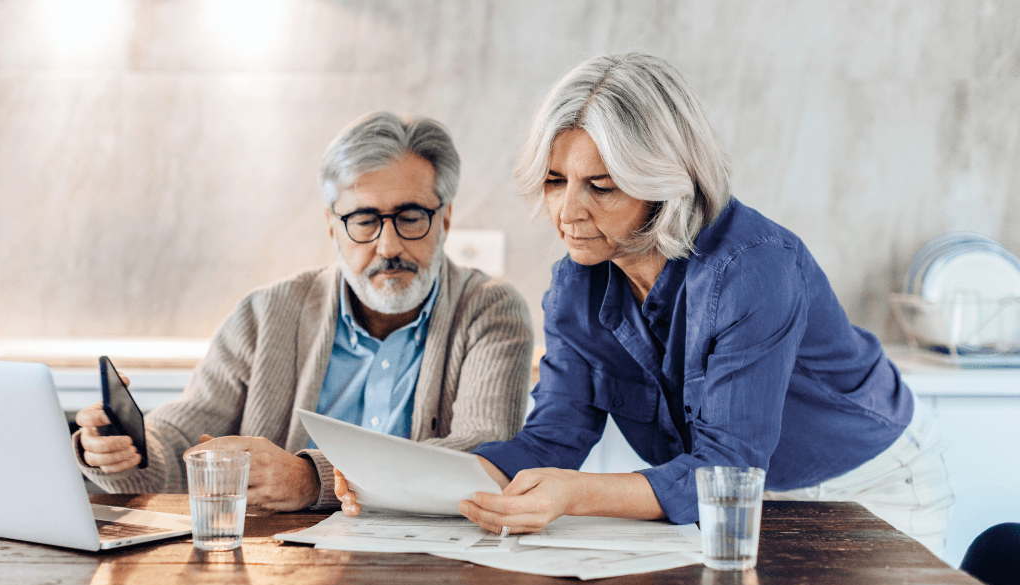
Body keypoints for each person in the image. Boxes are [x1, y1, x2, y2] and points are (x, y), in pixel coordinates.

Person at [339, 53, 953, 554]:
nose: (567, 211)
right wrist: (407, 480)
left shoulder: (755, 269)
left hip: (868, 487)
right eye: (555, 181)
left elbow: (726, 469)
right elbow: (552, 440)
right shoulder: (577, 283)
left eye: (600, 186)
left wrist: (575, 495)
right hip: (734, 501)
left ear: (664, 182)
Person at [74, 111, 534, 511]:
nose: (388, 246)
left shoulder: (490, 310)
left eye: (411, 217)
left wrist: (313, 479)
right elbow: (183, 439)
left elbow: (482, 455)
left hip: (433, 567)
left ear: (446, 218)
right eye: (364, 220)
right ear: (332, 224)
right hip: (279, 567)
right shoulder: (265, 314)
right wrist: (129, 450)